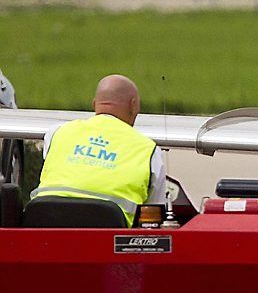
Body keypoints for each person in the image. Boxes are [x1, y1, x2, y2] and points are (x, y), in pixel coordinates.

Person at [32, 74, 166, 227]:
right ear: (134, 105)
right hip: (110, 241)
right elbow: (153, 218)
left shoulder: (56, 133)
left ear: (94, 104)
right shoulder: (148, 150)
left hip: (44, 225)